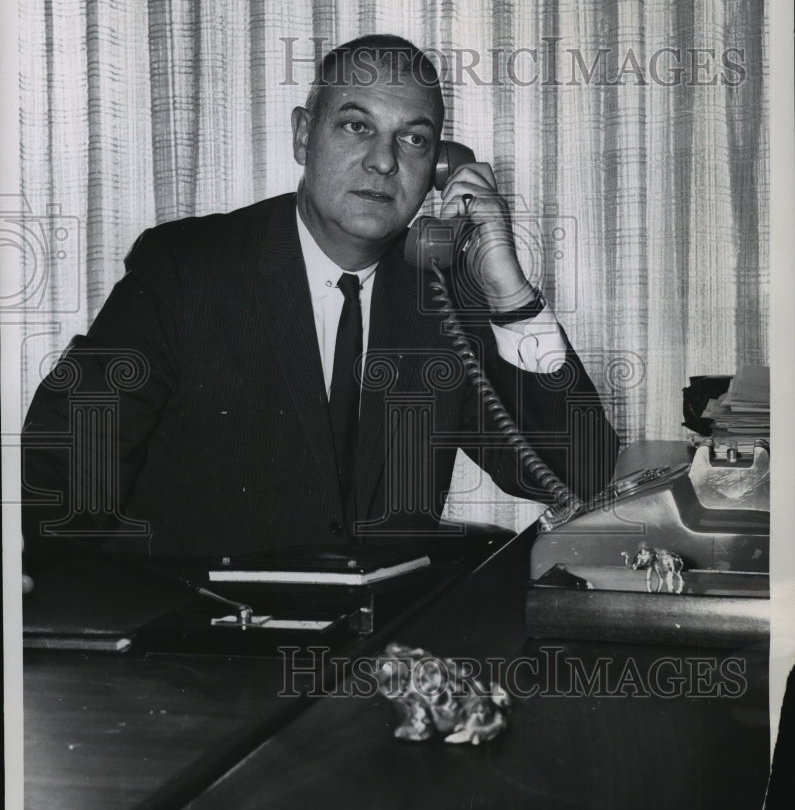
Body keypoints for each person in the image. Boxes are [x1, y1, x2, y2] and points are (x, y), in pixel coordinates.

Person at [21, 35, 619, 563]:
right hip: (206, 648)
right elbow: (63, 470)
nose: (384, 161)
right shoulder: (186, 268)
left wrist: (508, 293)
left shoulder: (441, 302)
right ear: (305, 135)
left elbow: (585, 473)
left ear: (439, 167)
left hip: (376, 656)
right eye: (357, 126)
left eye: (413, 140)